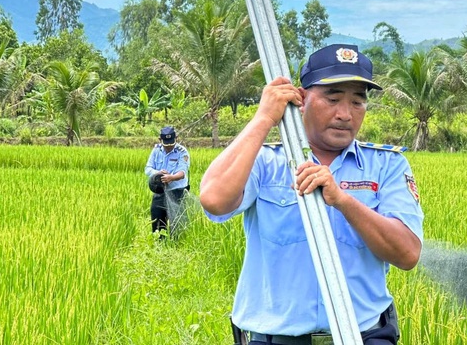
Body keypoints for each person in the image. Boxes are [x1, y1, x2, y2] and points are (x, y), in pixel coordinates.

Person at [200, 44, 424, 345]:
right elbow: (214, 198)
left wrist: (343, 201)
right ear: (302, 99)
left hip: (363, 335)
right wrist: (264, 118)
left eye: (358, 102)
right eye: (333, 99)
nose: (345, 114)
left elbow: (407, 254)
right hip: (275, 338)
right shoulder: (266, 161)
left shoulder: (386, 165)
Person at [145, 126, 190, 237]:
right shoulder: (156, 150)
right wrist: (158, 173)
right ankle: (159, 245)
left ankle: (176, 247)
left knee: (177, 224)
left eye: (171, 144)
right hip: (160, 191)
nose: (169, 147)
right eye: (166, 144)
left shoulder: (182, 152)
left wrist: (171, 177)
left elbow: (182, 172)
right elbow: (148, 168)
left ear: (176, 139)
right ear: (160, 140)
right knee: (157, 221)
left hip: (177, 192)